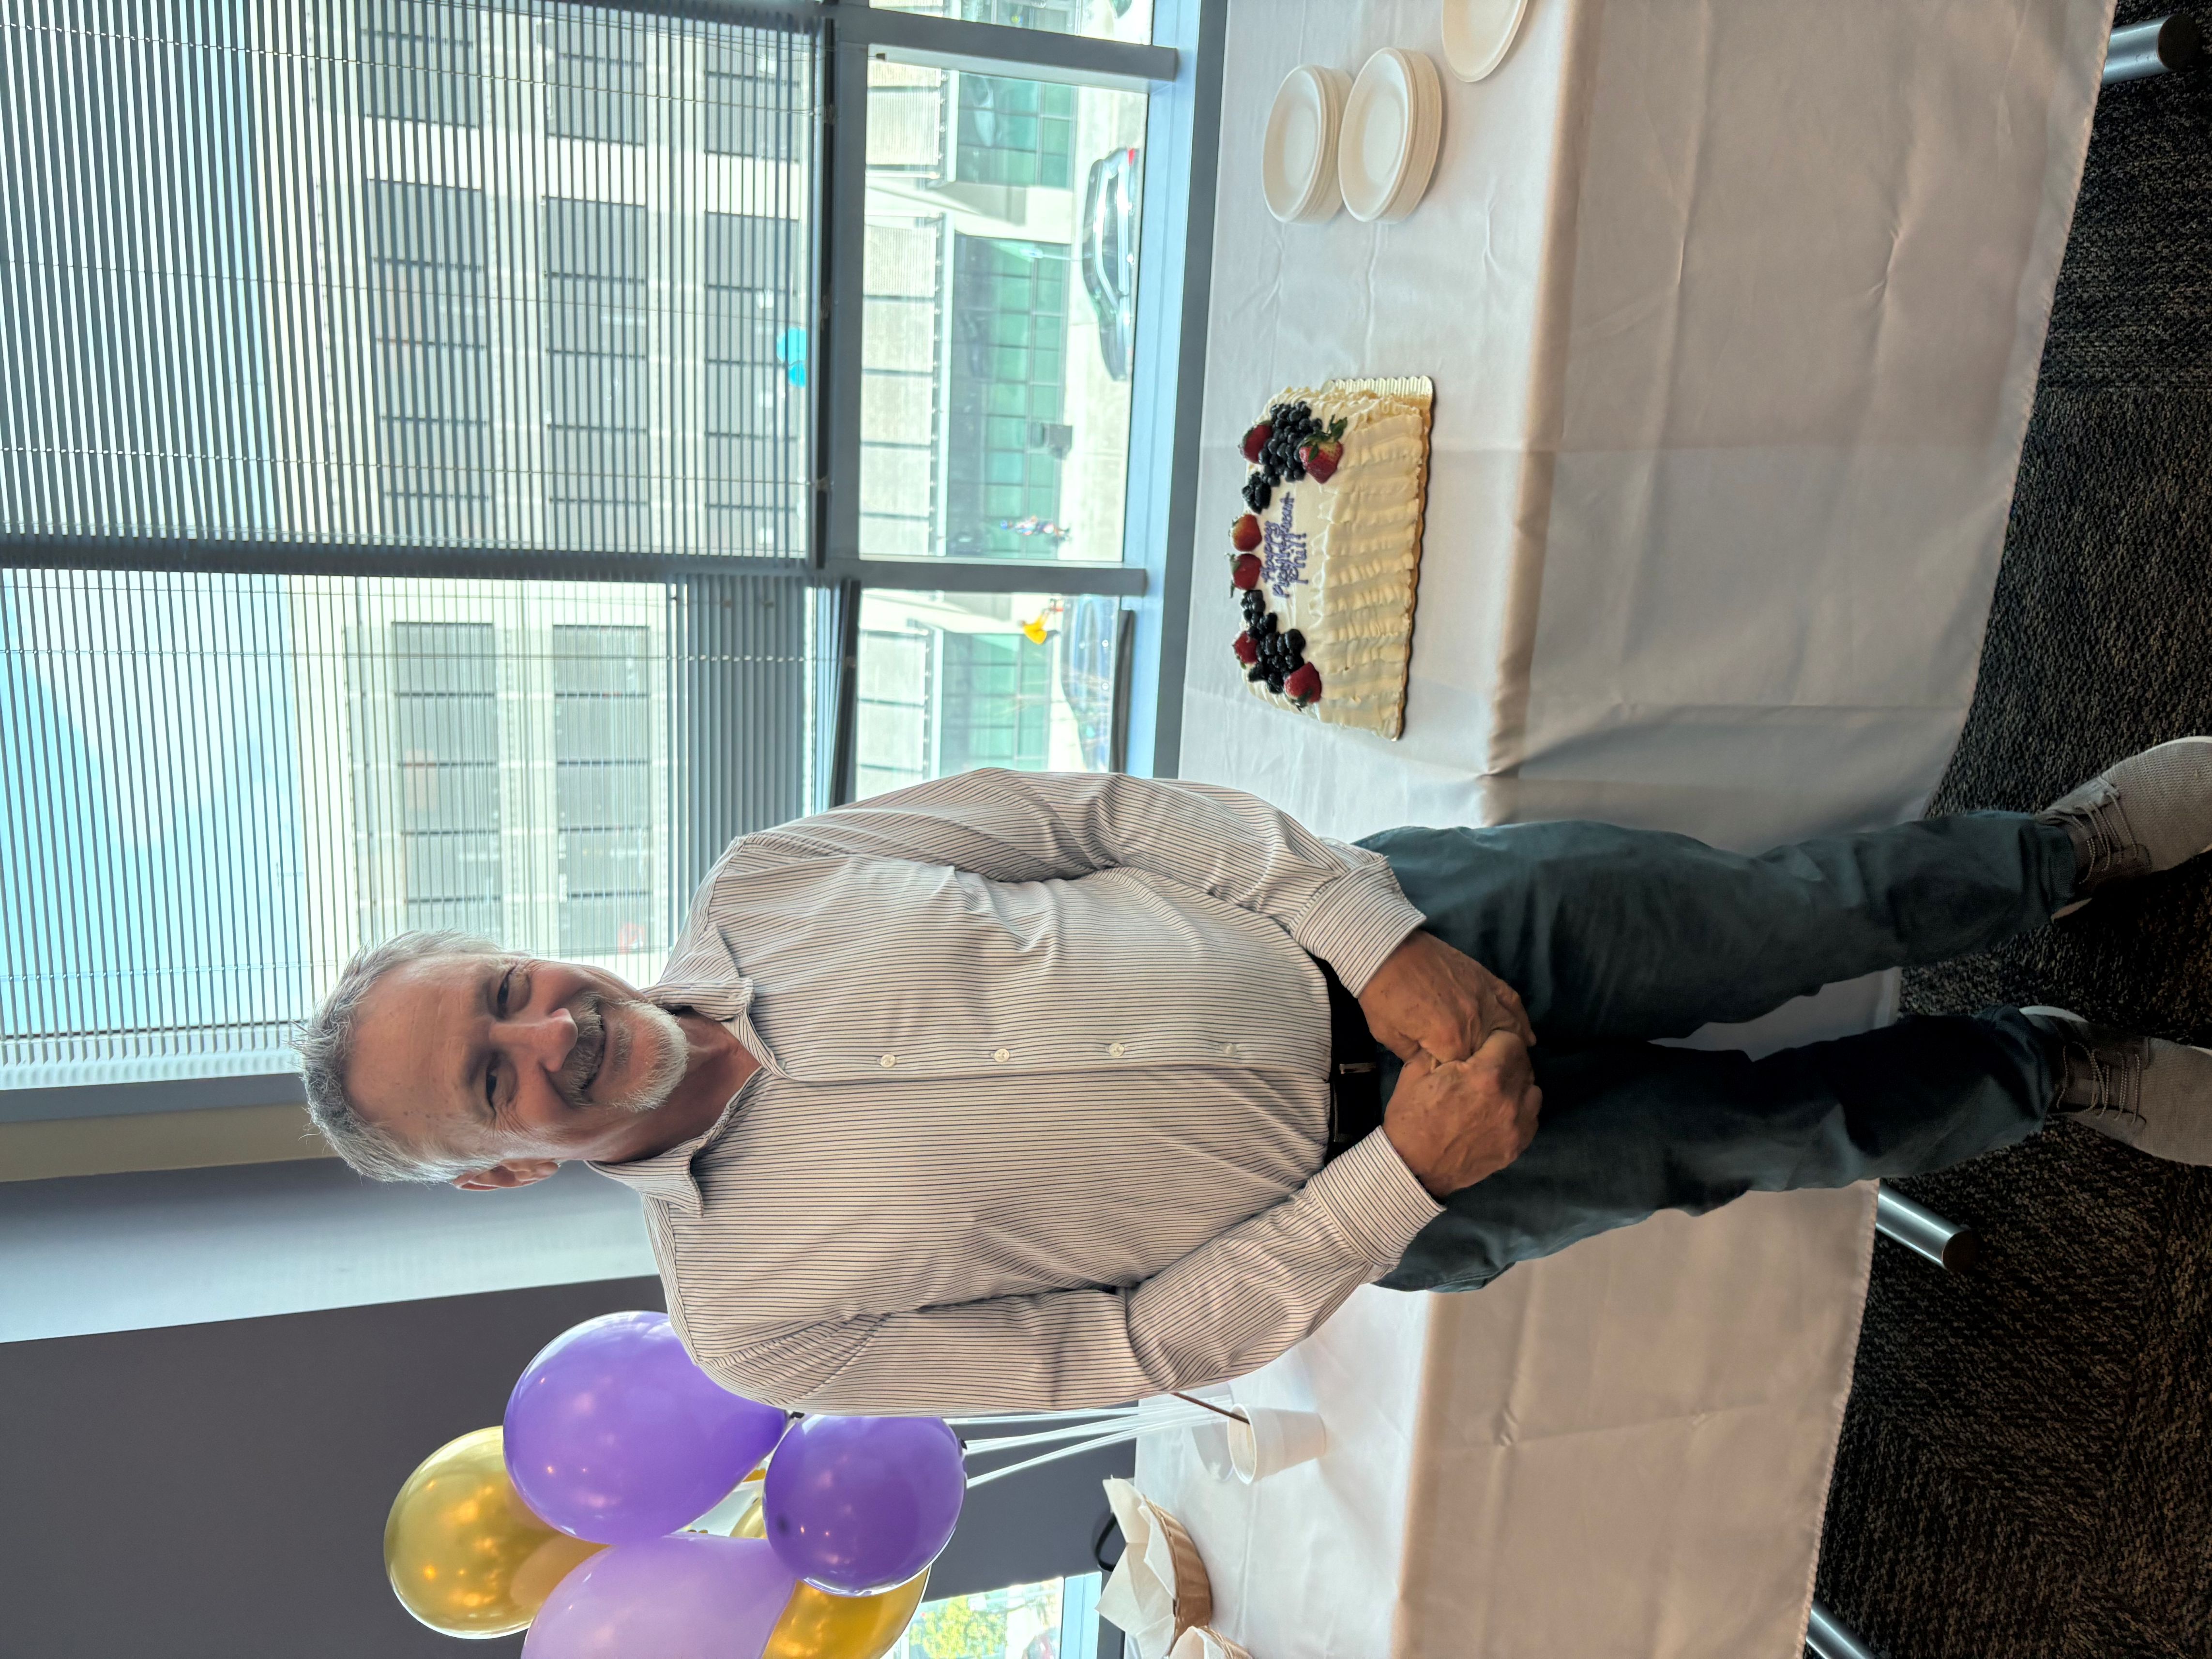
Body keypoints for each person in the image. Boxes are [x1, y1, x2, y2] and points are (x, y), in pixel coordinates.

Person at [297, 742, 2212, 1414]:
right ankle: (2060, 1072)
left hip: (1407, 922)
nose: (547, 1024)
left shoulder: (768, 878)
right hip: (1397, 1184)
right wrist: (1401, 1171)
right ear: (494, 1169)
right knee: (1777, 1130)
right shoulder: (753, 1324)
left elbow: (1098, 816)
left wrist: (1380, 944)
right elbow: (1117, 1349)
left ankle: (2064, 854)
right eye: (493, 1072)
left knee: (1785, 910)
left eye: (507, 981)